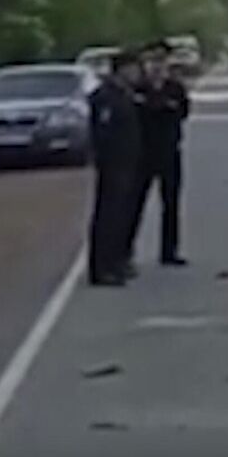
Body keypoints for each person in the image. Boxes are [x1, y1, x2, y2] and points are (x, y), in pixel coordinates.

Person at [125, 40, 192, 268]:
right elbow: (137, 114)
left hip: (170, 151)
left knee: (171, 204)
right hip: (142, 154)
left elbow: (182, 112)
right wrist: (161, 106)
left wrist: (157, 106)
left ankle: (169, 251)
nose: (156, 65)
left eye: (161, 60)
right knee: (134, 203)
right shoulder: (137, 88)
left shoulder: (175, 87)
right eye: (152, 60)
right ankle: (126, 251)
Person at [87, 50, 144, 288]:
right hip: (113, 164)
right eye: (134, 69)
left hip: (127, 162)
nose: (138, 74)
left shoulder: (125, 94)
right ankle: (102, 268)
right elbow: (103, 131)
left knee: (121, 215)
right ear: (122, 69)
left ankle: (117, 262)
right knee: (108, 216)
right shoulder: (107, 97)